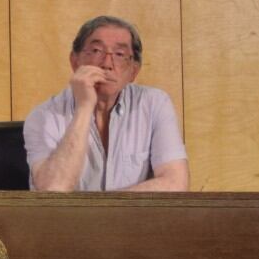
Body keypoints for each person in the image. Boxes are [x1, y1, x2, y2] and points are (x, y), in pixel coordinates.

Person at [25, 15, 187, 192]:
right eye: (96, 51)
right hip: (69, 220)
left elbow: (175, 183)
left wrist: (107, 212)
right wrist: (84, 108)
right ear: (74, 61)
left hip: (131, 219)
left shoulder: (154, 104)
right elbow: (53, 190)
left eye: (119, 54)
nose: (107, 64)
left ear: (134, 71)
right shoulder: (43, 116)